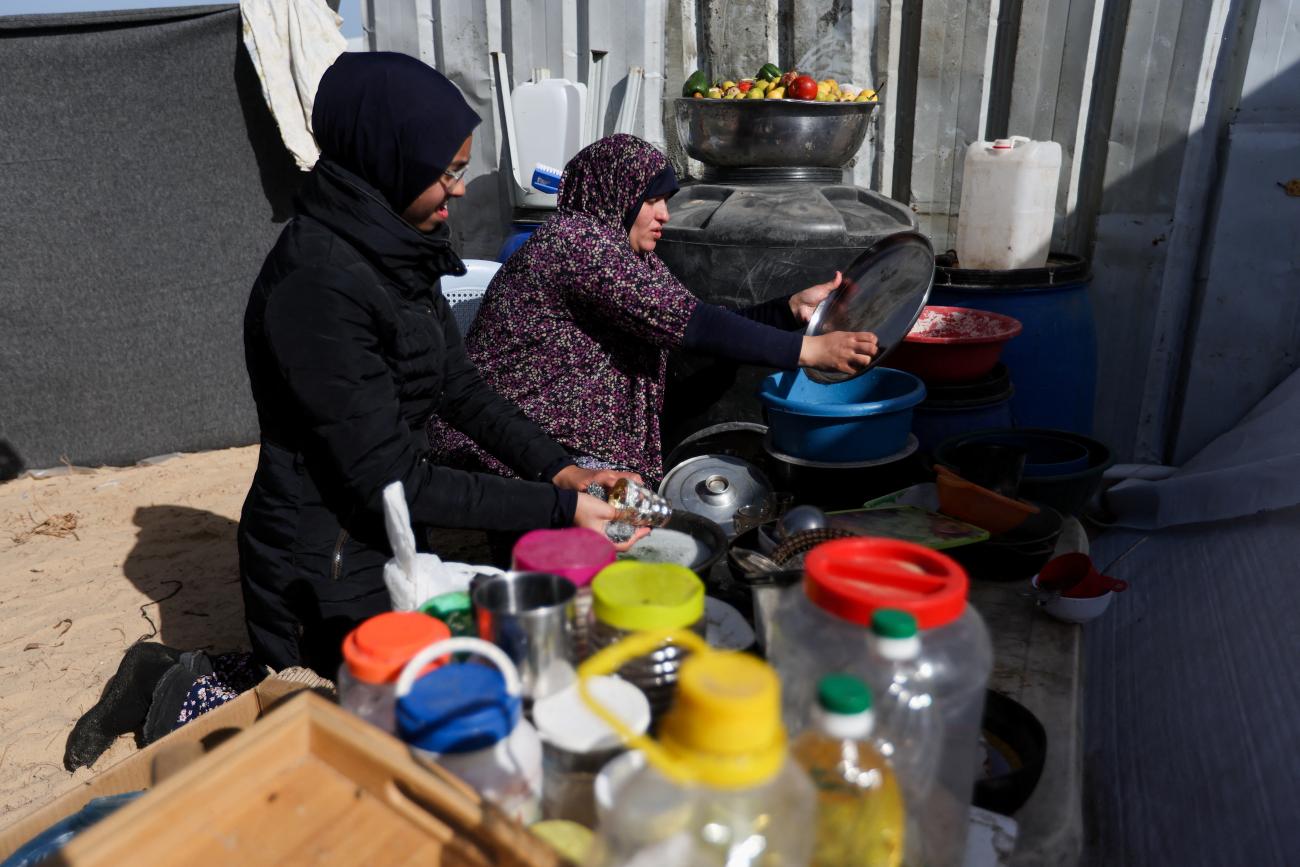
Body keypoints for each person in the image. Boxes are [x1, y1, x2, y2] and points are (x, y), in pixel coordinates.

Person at [238, 53, 636, 678]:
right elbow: (389, 480)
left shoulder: (397, 246)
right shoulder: (318, 285)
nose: (460, 188)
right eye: (447, 172)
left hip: (390, 531)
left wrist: (560, 471)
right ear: (387, 160)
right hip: (323, 557)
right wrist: (558, 511)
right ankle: (179, 685)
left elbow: (461, 388)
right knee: (354, 710)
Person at [428, 133, 879, 482]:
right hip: (512, 445)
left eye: (666, 201)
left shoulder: (627, 256)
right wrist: (811, 352)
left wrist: (788, 309)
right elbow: (696, 326)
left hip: (556, 441)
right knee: (629, 525)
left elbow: (692, 323)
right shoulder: (577, 244)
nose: (664, 214)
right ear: (616, 196)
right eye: (652, 200)